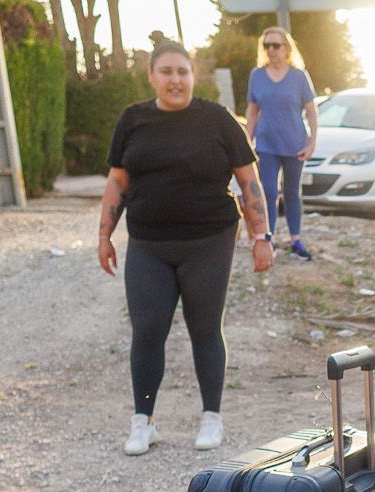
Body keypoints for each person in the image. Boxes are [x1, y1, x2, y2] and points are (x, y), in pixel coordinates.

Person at [98, 41, 270, 457]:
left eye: (183, 71)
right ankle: (143, 422)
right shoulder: (133, 120)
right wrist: (104, 236)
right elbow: (118, 182)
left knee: (205, 329)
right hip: (148, 243)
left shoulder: (217, 120)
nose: (175, 79)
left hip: (208, 241)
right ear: (152, 76)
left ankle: (212, 417)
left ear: (194, 76)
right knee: (148, 330)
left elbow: (248, 182)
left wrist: (261, 237)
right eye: (167, 71)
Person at [242, 26, 318, 262]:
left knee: (292, 192)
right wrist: (246, 142)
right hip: (266, 144)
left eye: (276, 45)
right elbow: (252, 112)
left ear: (286, 48)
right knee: (268, 192)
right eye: (267, 46)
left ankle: (296, 240)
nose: (271, 50)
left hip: (294, 143)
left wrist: (312, 142)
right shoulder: (257, 75)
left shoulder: (298, 76)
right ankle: (267, 239)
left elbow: (311, 111)